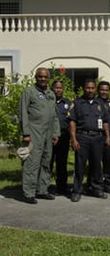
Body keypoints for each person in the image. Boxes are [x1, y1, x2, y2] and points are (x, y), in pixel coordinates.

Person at [19, 67, 60, 204]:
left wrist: (56, 132)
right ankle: (28, 193)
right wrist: (25, 133)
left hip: (48, 134)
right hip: (33, 133)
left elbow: (54, 116)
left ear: (48, 78)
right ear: (35, 77)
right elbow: (23, 113)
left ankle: (42, 190)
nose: (42, 79)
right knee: (32, 163)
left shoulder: (51, 94)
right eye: (40, 76)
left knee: (46, 162)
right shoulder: (29, 92)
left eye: (45, 77)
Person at [68, 79, 110, 202]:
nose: (90, 90)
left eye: (92, 88)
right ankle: (77, 190)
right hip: (82, 137)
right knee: (79, 166)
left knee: (97, 165)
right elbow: (72, 122)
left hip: (97, 138)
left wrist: (107, 136)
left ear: (95, 89)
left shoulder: (100, 103)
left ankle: (96, 188)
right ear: (83, 88)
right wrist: (73, 139)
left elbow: (105, 121)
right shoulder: (77, 103)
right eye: (88, 88)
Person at [50, 80, 71, 196]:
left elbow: (71, 121)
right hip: (50, 136)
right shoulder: (48, 101)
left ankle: (62, 187)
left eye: (60, 88)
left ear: (63, 89)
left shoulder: (68, 103)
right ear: (52, 88)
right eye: (56, 88)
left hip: (64, 137)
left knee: (62, 163)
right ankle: (44, 187)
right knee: (48, 162)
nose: (58, 90)